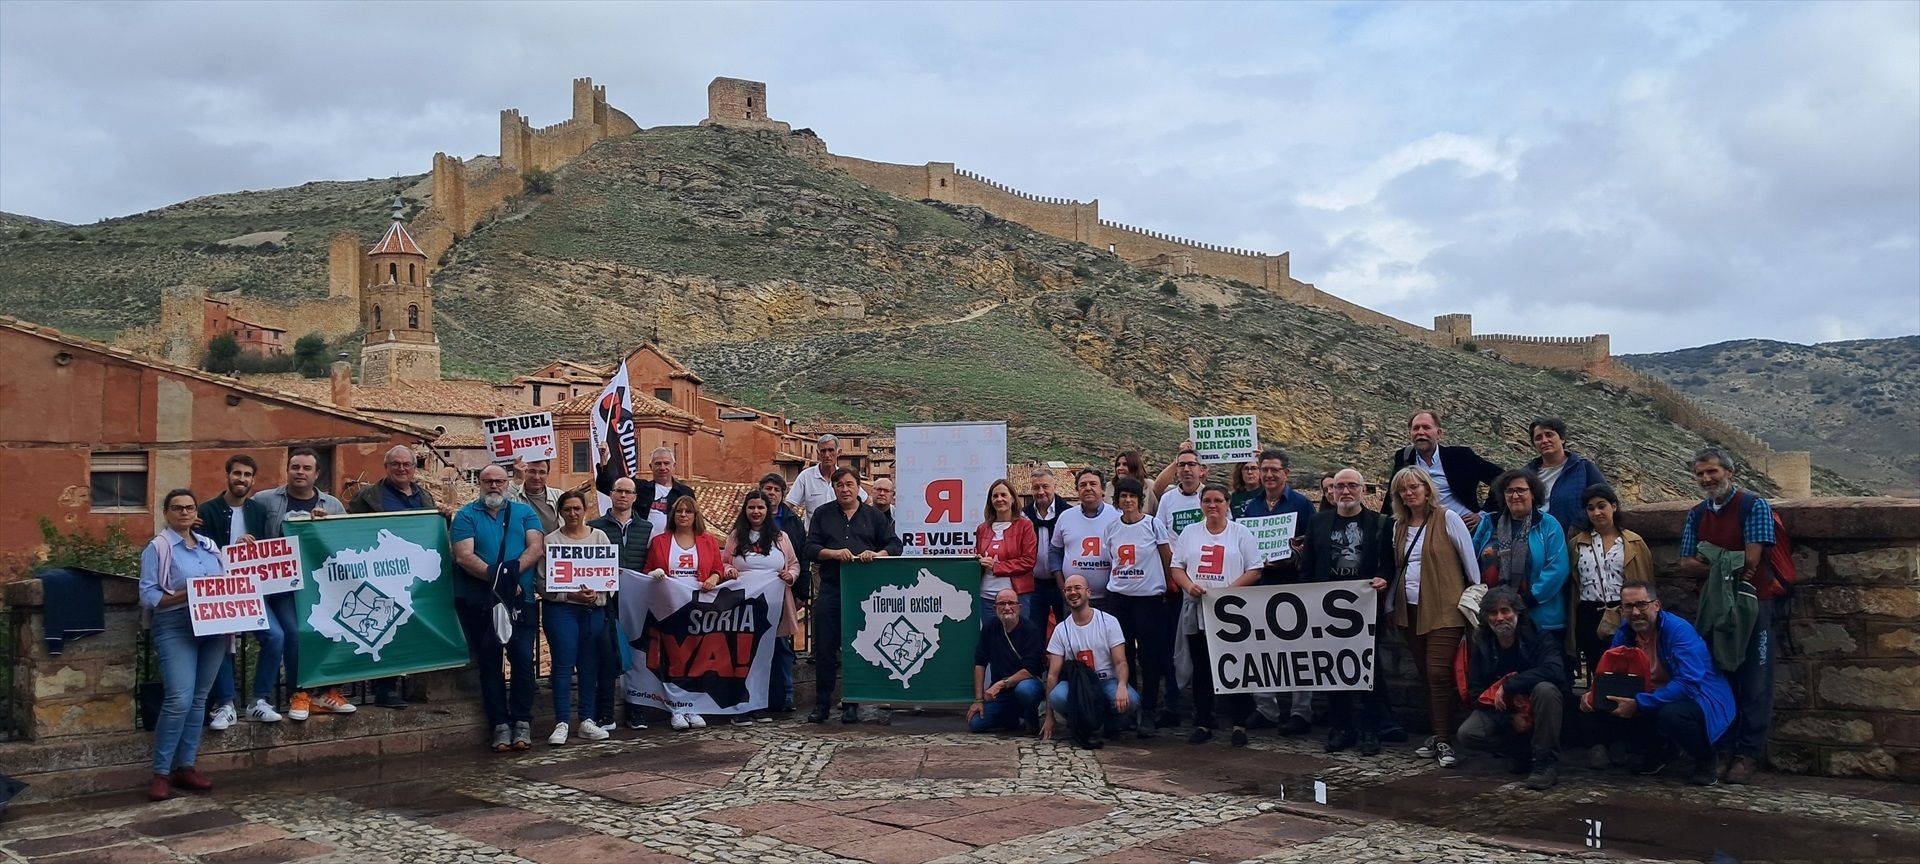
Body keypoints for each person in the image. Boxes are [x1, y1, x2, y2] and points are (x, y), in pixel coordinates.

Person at [1676, 447, 1780, 785]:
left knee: (1755, 677)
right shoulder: (1696, 514)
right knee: (1717, 674)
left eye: (1713, 472)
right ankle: (1721, 746)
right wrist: (1726, 561)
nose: (1707, 479)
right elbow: (1685, 563)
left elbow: (1751, 560)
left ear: (1729, 473)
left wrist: (1710, 557)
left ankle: (1747, 752)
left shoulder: (1754, 506)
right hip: (1714, 605)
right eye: (1701, 474)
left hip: (1754, 602)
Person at [1581, 583, 1734, 787]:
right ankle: (1661, 751)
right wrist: (1593, 694)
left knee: (1671, 715)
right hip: (1653, 693)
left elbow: (1689, 683)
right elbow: (1612, 673)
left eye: (1642, 604)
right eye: (1628, 606)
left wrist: (1640, 703)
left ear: (1656, 605)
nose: (1635, 612)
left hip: (1700, 696)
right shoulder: (1625, 632)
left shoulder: (1678, 630)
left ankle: (1706, 760)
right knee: (1602, 706)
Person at [1294, 469, 1393, 755]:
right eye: (1340, 486)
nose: (1346, 491)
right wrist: (1306, 600)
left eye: (1352, 485)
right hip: (1327, 609)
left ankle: (1371, 730)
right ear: (1331, 491)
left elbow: (1388, 563)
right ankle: (1342, 727)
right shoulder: (1319, 522)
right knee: (1333, 669)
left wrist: (1383, 578)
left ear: (1363, 490)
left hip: (1364, 609)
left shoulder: (1379, 523)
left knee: (1369, 670)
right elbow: (1308, 566)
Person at [1387, 466, 1481, 769]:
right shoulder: (1399, 526)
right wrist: (1390, 604)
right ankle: (1439, 733)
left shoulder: (1447, 518)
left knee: (1439, 673)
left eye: (1414, 486)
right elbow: (1396, 568)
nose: (1409, 493)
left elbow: (1469, 561)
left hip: (1444, 607)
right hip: (1411, 609)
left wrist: (1476, 596)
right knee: (1426, 676)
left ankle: (1442, 738)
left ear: (1427, 488)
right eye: (1403, 489)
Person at [450, 464, 545, 752]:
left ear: (507, 483)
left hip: (521, 600)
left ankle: (522, 721)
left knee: (522, 662)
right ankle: (499, 724)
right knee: (490, 664)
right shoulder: (466, 515)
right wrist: (501, 581)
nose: (494, 486)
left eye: (499, 481)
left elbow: (535, 548)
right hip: (482, 602)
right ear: (479, 482)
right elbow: (464, 556)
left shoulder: (524, 512)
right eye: (488, 481)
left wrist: (510, 577)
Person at [140, 489, 228, 801]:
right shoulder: (158, 548)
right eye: (177, 508)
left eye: (189, 507)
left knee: (199, 698)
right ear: (167, 513)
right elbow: (149, 596)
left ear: (195, 513)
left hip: (215, 625)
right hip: (177, 624)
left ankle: (186, 766)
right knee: (178, 697)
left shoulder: (210, 547)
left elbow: (230, 582)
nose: (184, 513)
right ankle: (161, 773)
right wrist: (190, 593)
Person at [347, 444, 447, 709]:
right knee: (383, 627)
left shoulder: (424, 497)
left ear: (415, 468)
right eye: (396, 464)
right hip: (381, 572)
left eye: (407, 465)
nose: (401, 469)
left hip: (415, 574)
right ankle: (385, 688)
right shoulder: (368, 496)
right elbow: (349, 529)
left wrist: (443, 519)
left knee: (411, 627)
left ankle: (410, 685)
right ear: (386, 467)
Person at [251, 447, 346, 722]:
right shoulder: (265, 500)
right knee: (293, 633)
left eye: (306, 468)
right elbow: (237, 515)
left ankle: (329, 692)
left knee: (332, 630)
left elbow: (341, 544)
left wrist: (322, 529)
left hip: (318, 586)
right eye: (295, 467)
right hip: (281, 586)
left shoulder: (333, 506)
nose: (300, 473)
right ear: (288, 470)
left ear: (317, 474)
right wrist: (202, 522)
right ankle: (299, 693)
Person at [803, 467, 901, 724]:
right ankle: (822, 704)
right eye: (839, 485)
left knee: (856, 649)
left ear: (859, 487)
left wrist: (878, 554)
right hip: (831, 589)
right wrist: (833, 553)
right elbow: (810, 548)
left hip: (863, 593)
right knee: (824, 648)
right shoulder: (823, 514)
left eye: (849, 484)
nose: (845, 489)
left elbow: (895, 545)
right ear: (833, 488)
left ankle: (852, 704)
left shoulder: (873, 516)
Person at [1170, 484, 1263, 746]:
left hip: (1233, 612)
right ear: (1201, 504)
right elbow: (1177, 567)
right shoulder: (1190, 533)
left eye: (1218, 501)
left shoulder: (1240, 533)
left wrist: (1228, 592)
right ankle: (1202, 721)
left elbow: (1254, 569)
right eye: (1207, 501)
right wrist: (1189, 586)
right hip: (1199, 608)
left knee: (1236, 665)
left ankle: (1239, 724)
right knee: (1202, 668)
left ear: (1227, 503)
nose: (1213, 506)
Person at [1457, 587, 1569, 789]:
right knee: (1468, 733)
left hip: (1537, 707)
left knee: (1546, 690)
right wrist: (1509, 720)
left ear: (1517, 612)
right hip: (1503, 710)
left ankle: (1545, 762)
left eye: (1505, 611)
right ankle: (1520, 751)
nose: (1500, 618)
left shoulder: (1538, 637)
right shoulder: (1482, 643)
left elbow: (1555, 671)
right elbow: (1476, 692)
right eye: (1493, 613)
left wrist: (1509, 685)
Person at [196, 455, 276, 730]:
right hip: (221, 591)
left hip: (252, 589)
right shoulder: (206, 511)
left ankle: (259, 702)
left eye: (247, 475)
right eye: (237, 474)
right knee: (222, 641)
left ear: (253, 480)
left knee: (275, 636)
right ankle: (226, 705)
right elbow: (200, 550)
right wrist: (232, 547)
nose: (241, 479)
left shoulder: (258, 511)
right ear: (227, 476)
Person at [1240, 449, 1316, 734]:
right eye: (1265, 469)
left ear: (1286, 473)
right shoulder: (1251, 507)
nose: (1269, 475)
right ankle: (1266, 709)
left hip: (1292, 587)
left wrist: (1292, 558)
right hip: (1259, 587)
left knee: (1298, 652)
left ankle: (1301, 712)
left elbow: (1312, 544)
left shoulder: (1302, 505)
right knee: (1260, 650)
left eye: (1275, 470)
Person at [648, 495, 729, 732]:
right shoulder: (660, 541)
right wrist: (656, 573)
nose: (683, 515)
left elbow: (718, 569)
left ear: (696, 516)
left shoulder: (708, 541)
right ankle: (676, 708)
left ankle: (692, 705)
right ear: (673, 515)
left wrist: (714, 578)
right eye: (679, 511)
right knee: (674, 659)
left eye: (688, 512)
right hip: (668, 607)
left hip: (698, 609)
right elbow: (648, 570)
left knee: (696, 658)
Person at [1101, 477, 1173, 738]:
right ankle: (1129, 710)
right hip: (1119, 598)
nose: (1128, 500)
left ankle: (1150, 711)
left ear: (1139, 499)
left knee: (1150, 658)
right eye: (1123, 496)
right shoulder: (1111, 528)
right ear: (1117, 500)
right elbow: (1112, 559)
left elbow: (1167, 558)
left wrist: (1167, 587)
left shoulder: (1153, 525)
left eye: (1132, 496)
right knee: (1123, 656)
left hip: (1149, 599)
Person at [724, 490, 801, 724]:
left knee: (768, 656)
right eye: (751, 508)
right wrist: (729, 571)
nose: (756, 512)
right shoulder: (736, 536)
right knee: (743, 655)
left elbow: (795, 564)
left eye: (760, 508)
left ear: (768, 511)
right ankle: (740, 706)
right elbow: (724, 562)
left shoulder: (781, 537)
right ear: (745, 511)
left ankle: (761, 704)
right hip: (743, 608)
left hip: (774, 607)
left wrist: (791, 575)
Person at [542, 491, 611, 745]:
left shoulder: (599, 537)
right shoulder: (551, 541)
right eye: (567, 509)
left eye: (576, 509)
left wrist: (596, 595)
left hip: (593, 610)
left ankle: (586, 720)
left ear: (585, 511)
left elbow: (609, 575)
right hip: (561, 611)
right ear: (560, 512)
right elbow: (543, 582)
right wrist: (570, 596)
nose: (572, 513)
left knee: (588, 665)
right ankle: (561, 722)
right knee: (562, 665)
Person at [1473, 469, 1571, 645]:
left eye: (1521, 490)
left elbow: (1558, 568)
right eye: (1509, 491)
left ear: (1533, 494)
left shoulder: (1548, 525)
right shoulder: (1489, 523)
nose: (1515, 495)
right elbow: (1471, 560)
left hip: (1540, 617)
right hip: (1496, 617)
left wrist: (1527, 600)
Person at [1568, 485, 1653, 684]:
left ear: (1613, 506)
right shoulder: (1577, 544)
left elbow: (1646, 579)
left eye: (1601, 506)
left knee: (1627, 668)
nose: (1597, 512)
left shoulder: (1634, 543)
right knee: (1597, 671)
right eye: (1590, 508)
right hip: (1588, 614)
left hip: (1625, 612)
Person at [1040, 575, 1137, 747]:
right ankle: (1080, 723)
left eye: (1077, 588)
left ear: (1088, 592)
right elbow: (1052, 675)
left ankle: (1110, 723)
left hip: (1106, 681)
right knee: (1057, 696)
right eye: (1068, 589)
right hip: (1079, 686)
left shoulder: (1109, 622)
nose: (1073, 592)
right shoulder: (1061, 629)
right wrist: (1049, 716)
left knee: (1132, 699)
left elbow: (1121, 662)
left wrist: (1122, 686)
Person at [588, 476, 651, 730]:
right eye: (618, 491)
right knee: (606, 655)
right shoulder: (595, 528)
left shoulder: (647, 528)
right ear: (611, 494)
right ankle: (605, 713)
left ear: (635, 497)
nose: (623, 495)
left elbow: (651, 563)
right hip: (606, 601)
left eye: (628, 492)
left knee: (638, 656)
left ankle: (636, 712)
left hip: (638, 602)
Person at [1390, 410, 1502, 530]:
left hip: (1463, 527)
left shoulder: (1461, 456)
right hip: (1422, 529)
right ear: (1410, 433)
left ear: (1438, 433)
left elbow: (1502, 478)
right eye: (1416, 428)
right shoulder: (1404, 457)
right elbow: (1393, 493)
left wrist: (1484, 514)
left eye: (1426, 427)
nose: (1420, 432)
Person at [758, 473, 806, 713]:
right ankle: (757, 697)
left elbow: (800, 558)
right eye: (767, 489)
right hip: (753, 599)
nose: (771, 493)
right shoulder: (745, 525)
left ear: (782, 494)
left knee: (782, 647)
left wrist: (801, 592)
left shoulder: (791, 523)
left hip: (783, 594)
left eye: (776, 489)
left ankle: (785, 694)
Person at [968, 588, 1046, 734]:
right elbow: (980, 662)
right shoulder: (990, 628)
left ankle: (1030, 718)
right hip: (1002, 693)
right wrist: (978, 700)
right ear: (994, 608)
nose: (1007, 608)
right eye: (1002, 603)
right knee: (976, 724)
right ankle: (1012, 718)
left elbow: (1031, 669)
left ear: (1019, 607)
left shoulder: (1031, 630)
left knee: (1026, 690)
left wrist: (1001, 684)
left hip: (1025, 684)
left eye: (1011, 603)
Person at [1523, 417, 1608, 533]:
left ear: (1562, 439)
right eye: (1538, 438)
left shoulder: (1584, 468)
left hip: (1575, 539)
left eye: (1549, 435)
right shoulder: (1526, 474)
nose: (1544, 440)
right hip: (1534, 539)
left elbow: (1606, 500)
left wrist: (1579, 525)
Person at [1052, 469, 1120, 612]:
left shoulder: (1117, 516)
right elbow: (1054, 552)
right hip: (1073, 598)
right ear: (1077, 490)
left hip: (1110, 599)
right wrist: (1062, 586)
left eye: (1093, 484)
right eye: (1083, 485)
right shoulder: (1065, 517)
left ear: (1103, 489)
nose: (1088, 488)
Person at [974, 479, 1037, 624]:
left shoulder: (1025, 526)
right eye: (995, 496)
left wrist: (996, 567)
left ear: (1013, 499)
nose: (999, 499)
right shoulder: (982, 529)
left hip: (1016, 597)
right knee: (991, 640)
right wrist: (978, 562)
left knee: (1017, 640)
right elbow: (979, 556)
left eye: (1003, 495)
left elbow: (1029, 561)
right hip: (987, 597)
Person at [1024, 466, 1070, 625]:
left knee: (1065, 629)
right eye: (1036, 487)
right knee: (1034, 632)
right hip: (1035, 585)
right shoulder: (1024, 515)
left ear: (1054, 487)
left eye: (1045, 486)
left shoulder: (1068, 514)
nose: (1041, 491)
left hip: (1062, 585)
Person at [789, 435, 862, 523]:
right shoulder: (805, 476)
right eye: (823, 451)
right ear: (818, 453)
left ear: (839, 452)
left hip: (842, 534)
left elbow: (865, 501)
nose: (827, 455)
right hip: (814, 534)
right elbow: (789, 503)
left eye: (831, 450)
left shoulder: (846, 477)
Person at [637, 447, 696, 540]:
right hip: (642, 546)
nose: (662, 467)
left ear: (674, 465)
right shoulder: (640, 489)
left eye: (666, 463)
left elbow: (694, 522)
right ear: (650, 466)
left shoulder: (685, 493)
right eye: (658, 463)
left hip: (672, 546)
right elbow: (611, 484)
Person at [1155, 448, 1208, 537]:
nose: (1186, 469)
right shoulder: (1167, 498)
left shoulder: (1212, 496)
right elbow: (1159, 531)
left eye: (1191, 464)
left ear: (1201, 470)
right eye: (1182, 465)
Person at [508, 459, 562, 533]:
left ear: (547, 474)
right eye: (532, 471)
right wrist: (517, 480)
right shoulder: (513, 494)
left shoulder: (559, 496)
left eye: (542, 472)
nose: (537, 477)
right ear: (524, 472)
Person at [1109, 450, 1159, 515]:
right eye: (1118, 465)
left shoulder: (1148, 485)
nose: (1120, 468)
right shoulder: (1109, 486)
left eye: (1125, 464)